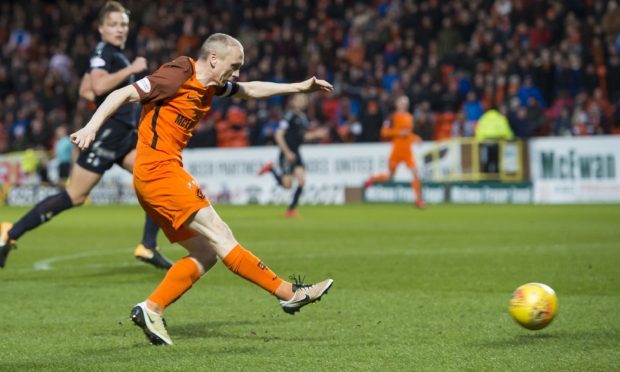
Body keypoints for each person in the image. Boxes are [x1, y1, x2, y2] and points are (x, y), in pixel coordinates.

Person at [70, 33, 334, 346]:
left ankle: (151, 309)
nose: (236, 73)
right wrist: (91, 127)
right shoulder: (177, 74)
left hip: (156, 176)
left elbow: (248, 90)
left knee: (206, 253)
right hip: (159, 173)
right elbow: (122, 94)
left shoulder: (209, 83)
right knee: (221, 235)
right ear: (213, 59)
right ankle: (289, 293)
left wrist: (299, 86)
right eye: (234, 65)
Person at [0, 1, 172, 270]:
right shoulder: (105, 53)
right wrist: (132, 70)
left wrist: (115, 90)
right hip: (109, 134)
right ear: (101, 28)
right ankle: (9, 233)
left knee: (157, 177)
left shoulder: (111, 54)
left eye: (123, 24)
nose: (119, 29)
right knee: (74, 196)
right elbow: (99, 84)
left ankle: (148, 246)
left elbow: (87, 90)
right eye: (113, 25)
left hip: (124, 134)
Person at [258, 94, 320, 218]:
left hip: (296, 152)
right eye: (299, 99)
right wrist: (287, 153)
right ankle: (271, 169)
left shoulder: (303, 118)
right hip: (287, 153)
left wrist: (316, 135)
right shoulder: (289, 116)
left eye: (304, 99)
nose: (302, 101)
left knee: (301, 181)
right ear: (293, 102)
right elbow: (278, 135)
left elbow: (302, 137)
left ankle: (290, 210)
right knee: (287, 186)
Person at [364, 95, 424, 208]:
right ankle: (373, 178)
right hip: (396, 151)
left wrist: (415, 138)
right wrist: (398, 132)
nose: (404, 104)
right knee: (390, 177)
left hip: (407, 152)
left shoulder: (410, 117)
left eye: (406, 102)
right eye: (402, 102)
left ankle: (418, 200)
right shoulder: (392, 117)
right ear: (397, 104)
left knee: (416, 173)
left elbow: (408, 134)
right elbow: (384, 132)